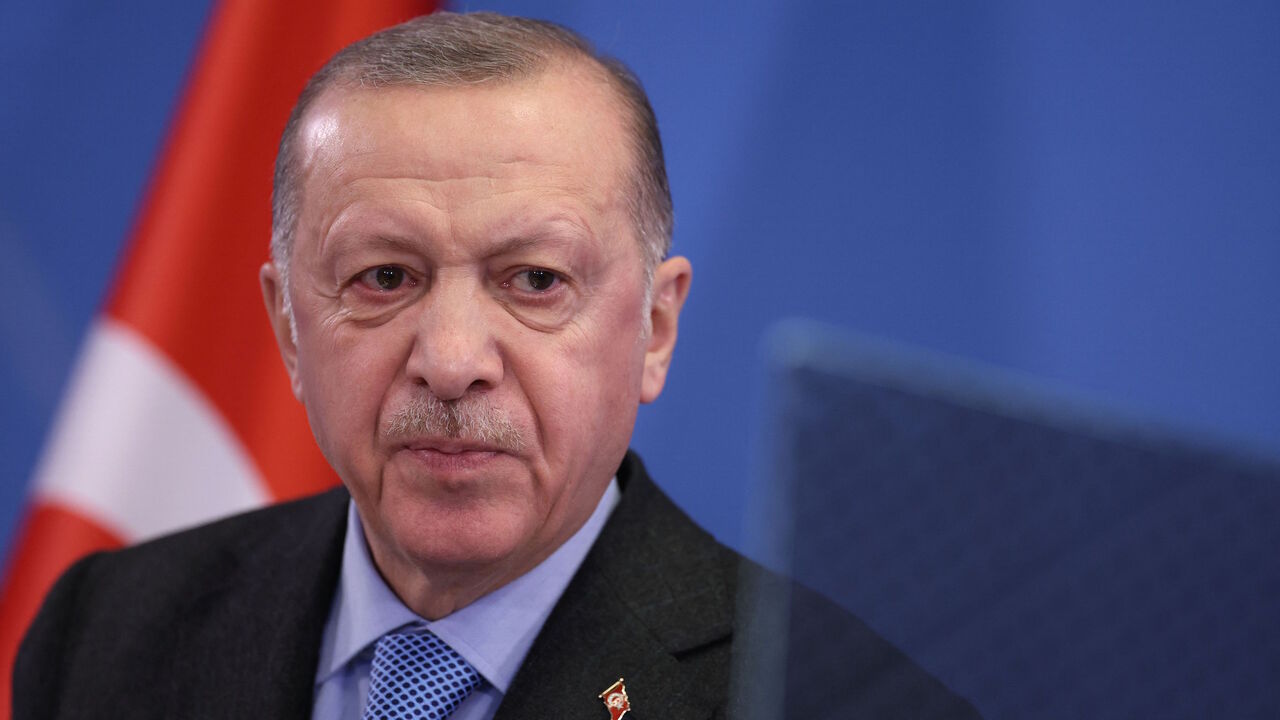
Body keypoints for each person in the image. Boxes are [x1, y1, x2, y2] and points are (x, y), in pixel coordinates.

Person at [14, 12, 980, 719]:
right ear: (288, 328)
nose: (450, 361)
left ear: (654, 328)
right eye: (384, 276)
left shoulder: (832, 702)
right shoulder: (107, 631)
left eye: (534, 280)